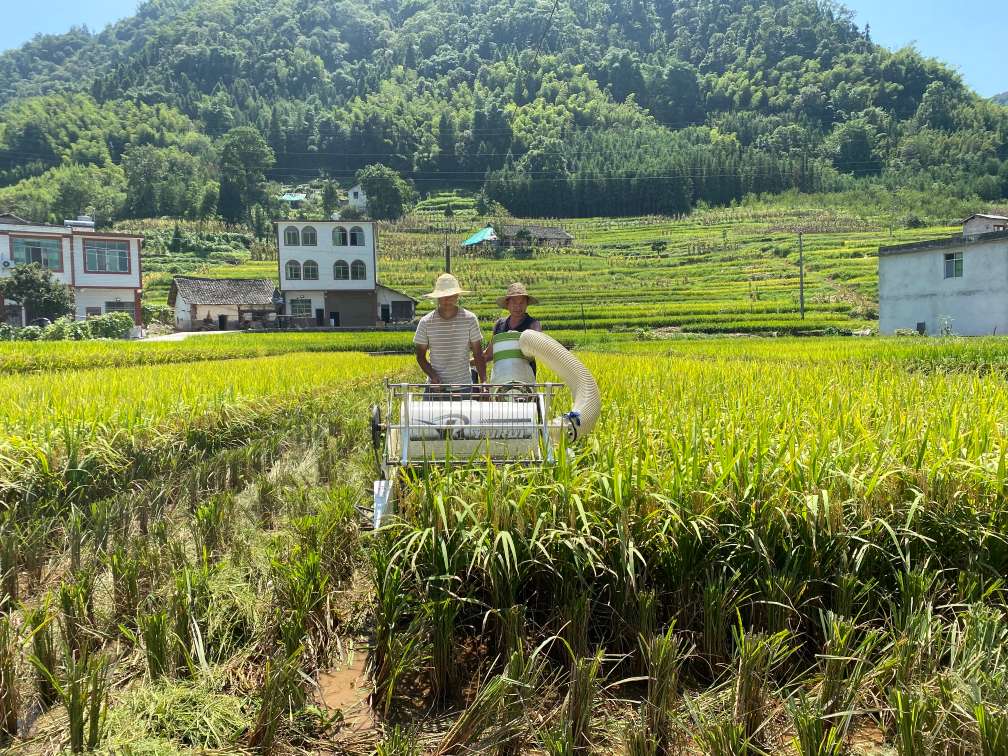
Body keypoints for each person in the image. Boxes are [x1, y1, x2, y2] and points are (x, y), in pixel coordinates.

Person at [414, 273, 486, 392]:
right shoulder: (426, 322)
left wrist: (484, 382)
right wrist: (433, 376)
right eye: (443, 296)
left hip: (463, 386)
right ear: (437, 297)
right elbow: (420, 357)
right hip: (436, 387)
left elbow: (478, 354)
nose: (447, 299)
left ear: (457, 296)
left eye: (451, 295)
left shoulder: (470, 319)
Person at [484, 282, 542, 380]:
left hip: (525, 380)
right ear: (508, 304)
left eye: (521, 303)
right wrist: (469, 362)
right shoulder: (499, 325)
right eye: (514, 303)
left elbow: (538, 349)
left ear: (526, 304)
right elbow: (489, 354)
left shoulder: (533, 325)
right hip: (501, 379)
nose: (518, 307)